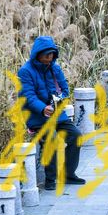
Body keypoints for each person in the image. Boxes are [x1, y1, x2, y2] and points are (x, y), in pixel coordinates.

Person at [17, 35, 85, 190]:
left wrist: (60, 98)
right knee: (52, 139)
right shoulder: (25, 71)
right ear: (38, 54)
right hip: (38, 117)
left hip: (57, 114)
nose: (50, 58)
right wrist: (43, 108)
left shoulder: (55, 68)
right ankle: (50, 179)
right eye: (47, 55)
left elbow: (66, 89)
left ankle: (68, 174)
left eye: (52, 55)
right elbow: (28, 96)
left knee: (76, 136)